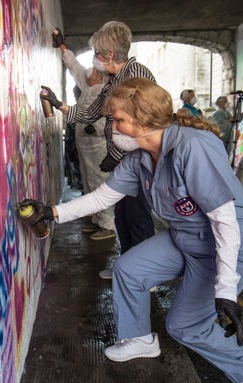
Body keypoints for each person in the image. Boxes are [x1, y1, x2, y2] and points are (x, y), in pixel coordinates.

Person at [20, 78, 243, 383]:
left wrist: (226, 290)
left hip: (225, 242)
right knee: (128, 268)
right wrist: (52, 212)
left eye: (117, 119)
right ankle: (139, 337)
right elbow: (102, 198)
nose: (111, 126)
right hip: (185, 237)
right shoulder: (140, 158)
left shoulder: (192, 146)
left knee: (185, 326)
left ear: (143, 121)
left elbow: (224, 222)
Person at [42, 21, 156, 279]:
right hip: (123, 158)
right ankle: (127, 268)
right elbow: (92, 113)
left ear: (110, 55)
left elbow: (143, 125)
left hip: (138, 159)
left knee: (137, 218)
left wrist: (113, 156)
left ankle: (145, 274)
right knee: (123, 217)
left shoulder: (137, 75)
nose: (94, 58)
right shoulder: (113, 79)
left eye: (97, 53)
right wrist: (60, 105)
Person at [55, 35, 115, 240]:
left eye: (96, 73)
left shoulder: (108, 90)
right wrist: (63, 48)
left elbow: (109, 116)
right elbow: (75, 66)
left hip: (99, 144)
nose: (92, 75)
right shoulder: (88, 85)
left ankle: (108, 225)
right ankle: (97, 220)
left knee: (99, 182)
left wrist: (96, 128)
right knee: (88, 182)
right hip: (84, 143)